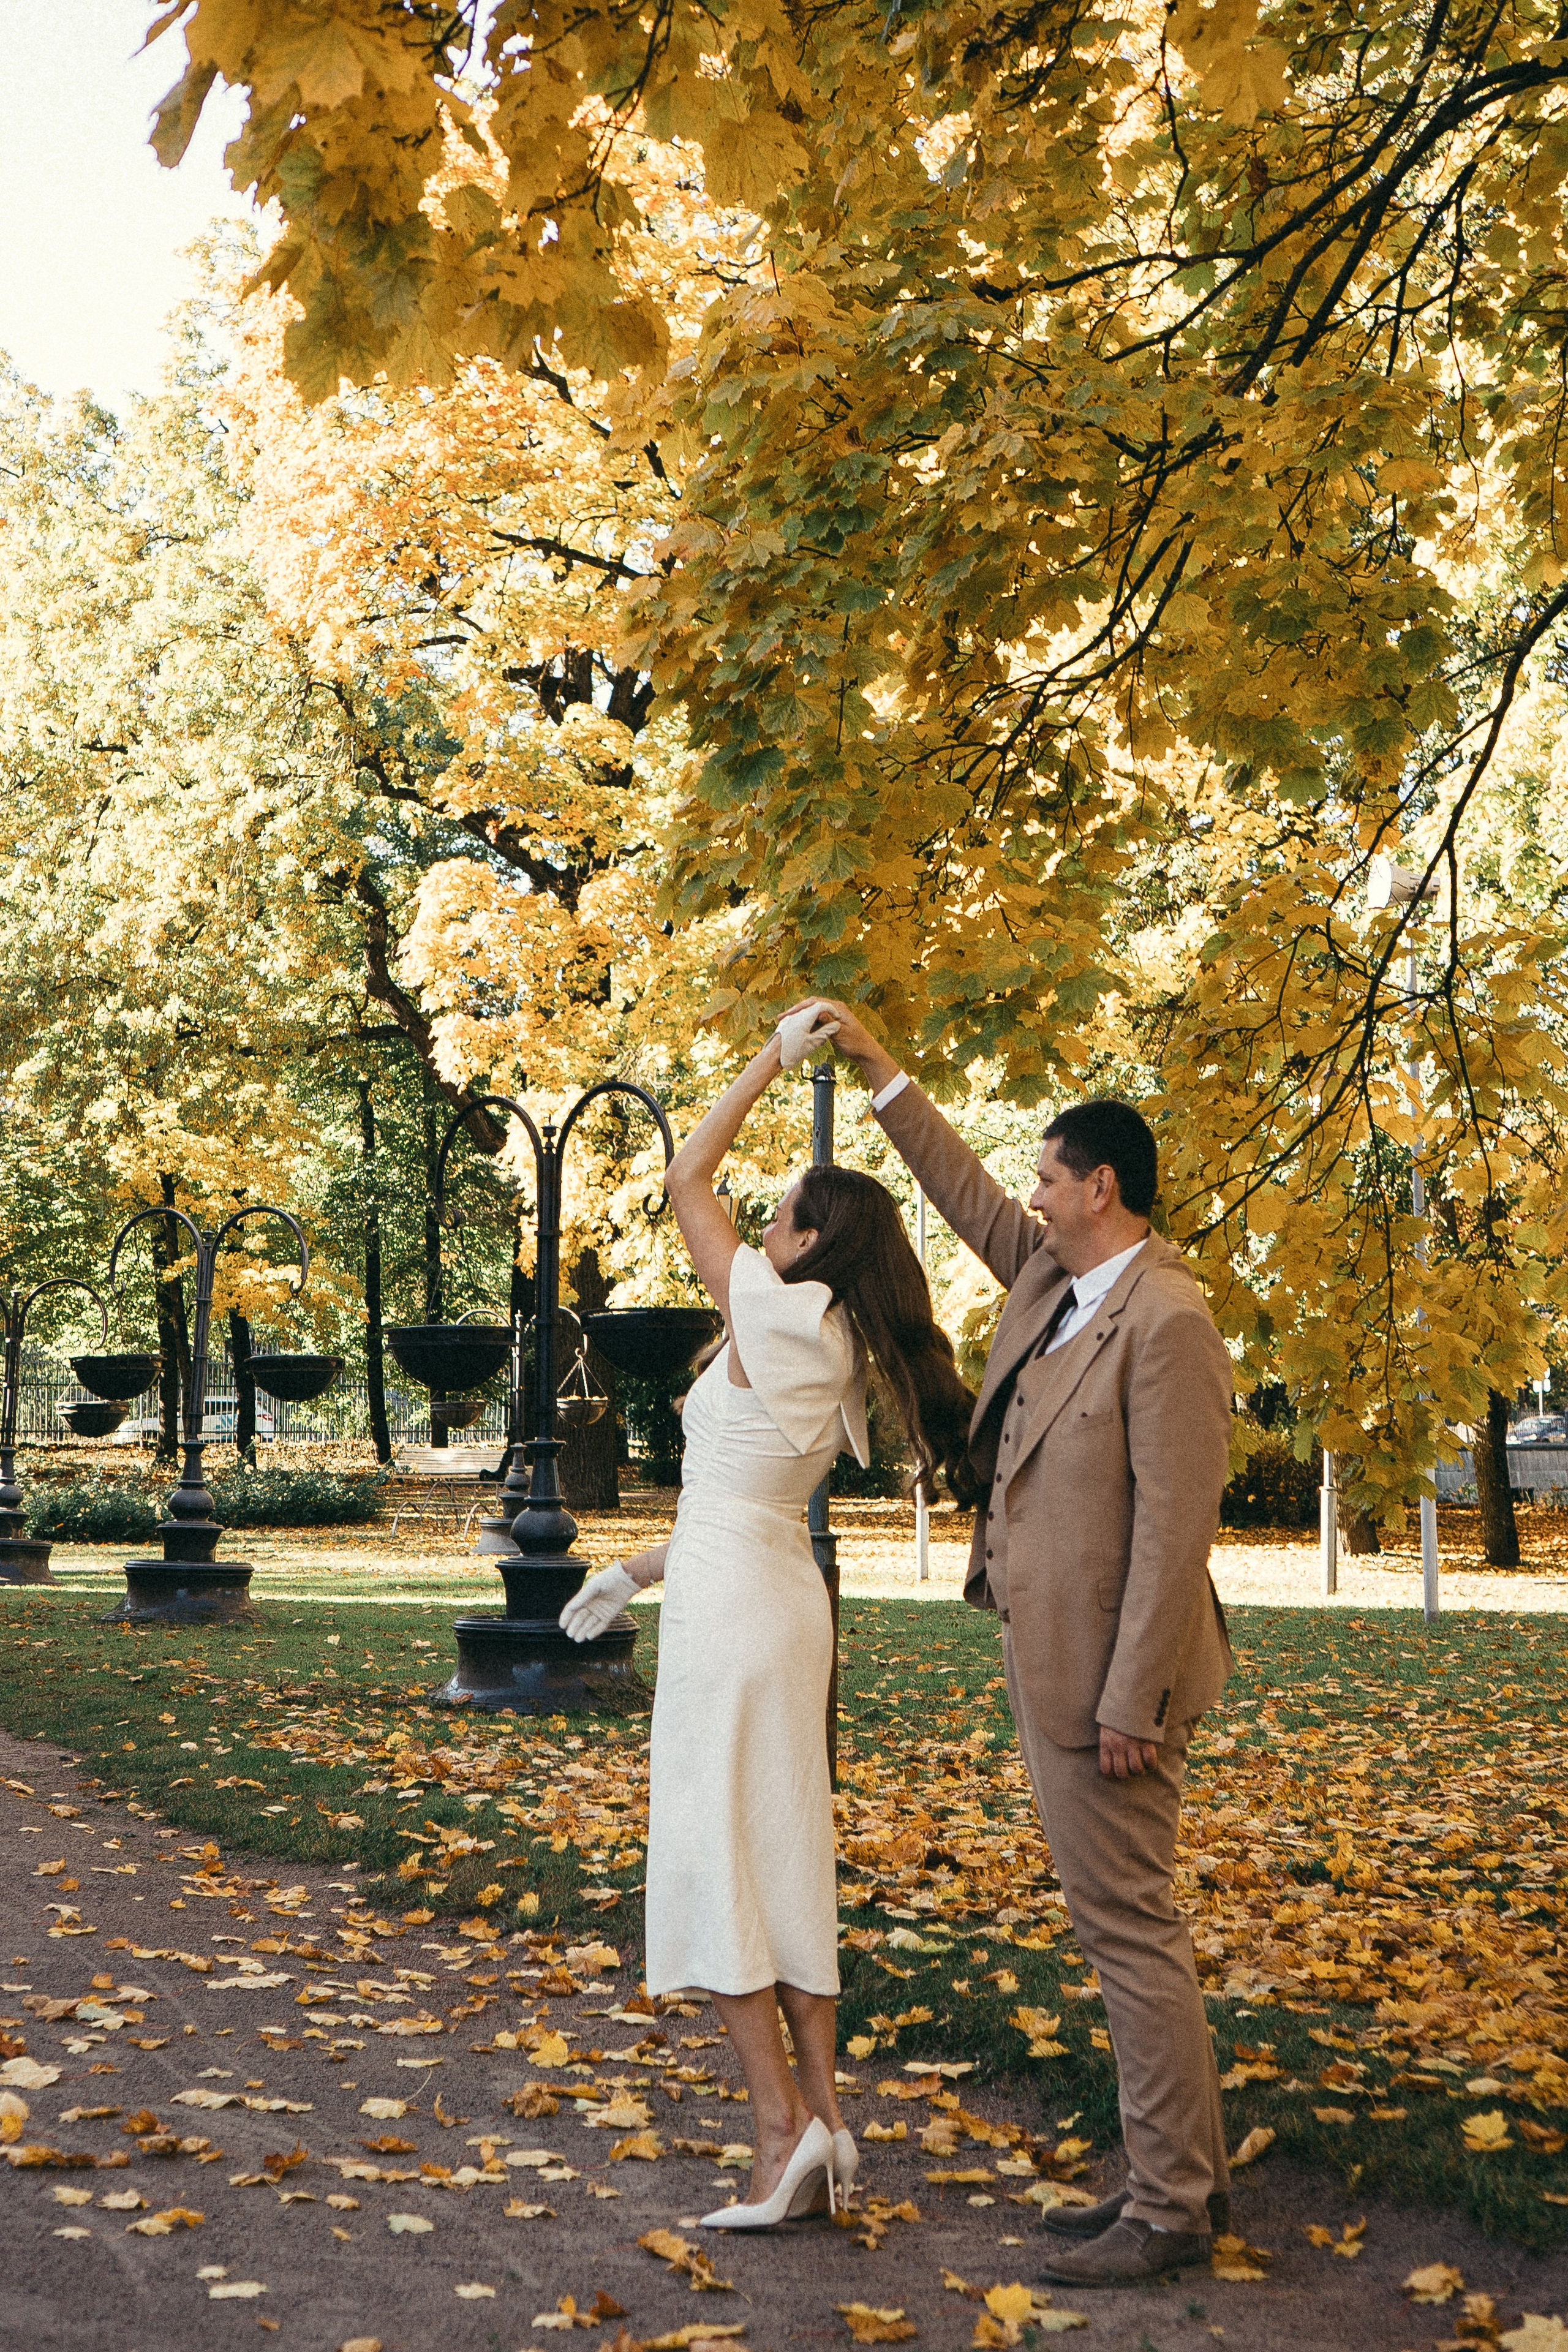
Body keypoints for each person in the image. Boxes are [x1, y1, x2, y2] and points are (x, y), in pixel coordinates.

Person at [801, 998, 1234, 2287]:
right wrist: (880, 1069)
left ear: (1100, 1186)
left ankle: (1164, 2210)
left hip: (1112, 1683)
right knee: (1120, 1926)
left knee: (1127, 1929)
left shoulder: (1165, 1320)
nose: (1030, 1196)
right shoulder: (1059, 1278)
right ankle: (1178, 2188)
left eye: (1049, 1176)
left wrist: (1132, 1701)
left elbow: (1172, 1535)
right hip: (1053, 1656)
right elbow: (962, 1195)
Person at [559, 1026, 978, 2230]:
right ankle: (829, 2127)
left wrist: (762, 1064)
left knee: (710, 1857)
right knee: (785, 1848)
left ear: (809, 1244)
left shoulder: (772, 1311)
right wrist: (632, 1573)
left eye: (783, 1212)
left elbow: (685, 1173)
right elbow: (736, 1507)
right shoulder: (837, 1342)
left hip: (731, 1612)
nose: (762, 1219)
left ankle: (775, 2130)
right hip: (774, 1597)